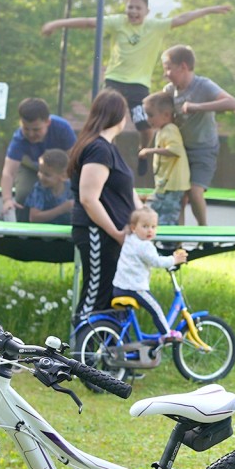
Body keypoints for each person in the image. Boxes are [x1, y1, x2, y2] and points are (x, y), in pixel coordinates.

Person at [39, 0, 232, 138]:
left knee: (144, 126)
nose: (133, 12)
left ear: (146, 11)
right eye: (130, 7)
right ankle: (107, 150)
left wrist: (210, 10)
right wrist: (56, 24)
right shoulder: (117, 22)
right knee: (106, 122)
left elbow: (182, 18)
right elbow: (90, 22)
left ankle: (142, 152)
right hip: (114, 80)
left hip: (138, 84)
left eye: (138, 8)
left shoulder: (155, 26)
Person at [67, 90, 139, 320]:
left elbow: (126, 190)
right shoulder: (98, 148)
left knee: (110, 296)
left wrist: (143, 214)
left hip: (113, 236)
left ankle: (104, 351)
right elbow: (89, 198)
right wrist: (116, 233)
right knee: (94, 295)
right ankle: (80, 352)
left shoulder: (109, 148)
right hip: (97, 233)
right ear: (119, 116)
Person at [160, 45, 235, 226]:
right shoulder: (168, 91)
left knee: (195, 193)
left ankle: (204, 233)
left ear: (183, 67)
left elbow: (232, 103)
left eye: (168, 68)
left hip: (203, 148)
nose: (166, 74)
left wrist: (197, 107)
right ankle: (176, 244)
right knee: (178, 196)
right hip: (180, 150)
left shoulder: (203, 85)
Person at [113, 206, 189, 335]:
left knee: (123, 319)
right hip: (135, 288)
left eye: (153, 227)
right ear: (133, 228)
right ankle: (166, 334)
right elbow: (156, 261)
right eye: (145, 226)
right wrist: (174, 260)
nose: (150, 230)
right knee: (156, 309)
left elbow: (149, 256)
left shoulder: (130, 239)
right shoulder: (145, 245)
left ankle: (123, 342)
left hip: (119, 286)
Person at [0, 98, 78, 220]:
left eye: (36, 129)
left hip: (59, 169)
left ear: (48, 122)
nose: (31, 134)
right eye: (26, 129)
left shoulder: (62, 128)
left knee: (72, 193)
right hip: (31, 168)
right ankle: (24, 233)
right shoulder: (19, 139)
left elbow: (75, 159)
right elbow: (9, 172)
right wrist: (7, 199)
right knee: (24, 195)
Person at [139, 91, 189, 225]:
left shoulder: (170, 129)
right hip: (165, 184)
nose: (148, 119)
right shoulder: (162, 130)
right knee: (155, 210)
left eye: (151, 115)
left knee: (168, 215)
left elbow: (175, 149)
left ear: (166, 115)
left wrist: (149, 151)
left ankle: (169, 245)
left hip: (173, 184)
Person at [26, 148, 76, 224]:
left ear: (63, 176)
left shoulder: (72, 187)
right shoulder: (39, 188)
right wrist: (62, 209)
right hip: (44, 232)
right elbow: (33, 217)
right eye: (40, 171)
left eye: (47, 174)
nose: (40, 176)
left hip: (67, 231)